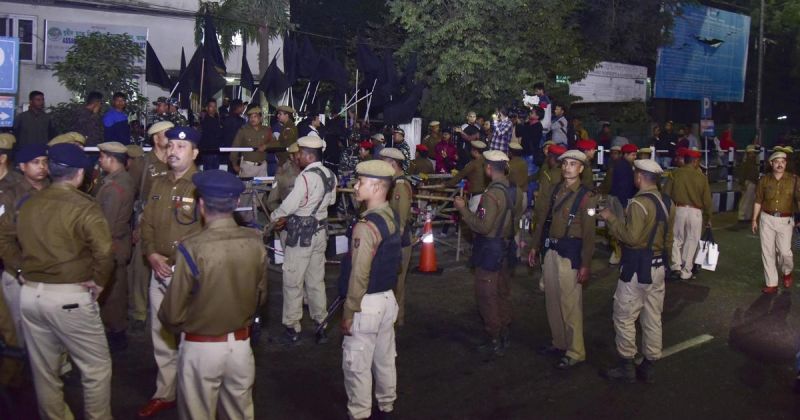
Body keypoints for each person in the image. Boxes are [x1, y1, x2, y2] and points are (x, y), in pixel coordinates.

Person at [158, 170, 267, 420]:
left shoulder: (192, 246)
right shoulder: (255, 241)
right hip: (241, 346)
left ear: (201, 204)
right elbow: (261, 297)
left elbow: (172, 313)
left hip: (201, 347)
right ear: (237, 203)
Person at [17, 143, 114, 420]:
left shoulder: (29, 202)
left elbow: (8, 239)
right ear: (80, 174)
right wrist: (99, 281)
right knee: (95, 369)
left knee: (45, 372)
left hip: (30, 295)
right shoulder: (84, 206)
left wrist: (20, 270)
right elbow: (105, 251)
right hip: (69, 298)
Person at [137, 126, 202, 418]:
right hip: (157, 268)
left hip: (187, 274)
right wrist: (150, 253)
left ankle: (193, 395)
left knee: (192, 337)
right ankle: (165, 391)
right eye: (171, 145)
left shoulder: (201, 186)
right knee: (160, 333)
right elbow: (147, 224)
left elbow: (210, 234)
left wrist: (181, 264)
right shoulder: (159, 183)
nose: (173, 151)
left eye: (181, 147)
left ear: (194, 153)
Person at [598, 159, 675, 384]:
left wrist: (611, 219)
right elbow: (669, 237)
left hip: (636, 269)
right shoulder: (667, 202)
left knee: (624, 316)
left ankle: (626, 364)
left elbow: (631, 237)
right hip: (658, 266)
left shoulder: (638, 204)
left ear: (639, 177)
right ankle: (649, 364)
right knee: (652, 316)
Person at [338, 159, 400, 420]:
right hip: (387, 299)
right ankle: (386, 406)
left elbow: (359, 273)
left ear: (376, 187)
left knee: (358, 366)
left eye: (361, 182)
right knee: (384, 358)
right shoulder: (391, 216)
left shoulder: (366, 227)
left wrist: (350, 310)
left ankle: (360, 413)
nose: (355, 186)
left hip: (367, 304)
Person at [528, 149, 597, 369]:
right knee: (552, 300)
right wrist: (535, 246)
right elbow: (544, 221)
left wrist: (586, 264)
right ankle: (559, 342)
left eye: (573, 164)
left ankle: (576, 350)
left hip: (570, 253)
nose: (568, 167)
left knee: (570, 303)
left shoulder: (586, 196)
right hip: (551, 250)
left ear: (581, 169)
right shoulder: (555, 190)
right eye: (565, 163)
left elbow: (589, 235)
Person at [454, 150, 520, 358]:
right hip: (506, 245)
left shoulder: (491, 194)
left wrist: (463, 210)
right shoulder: (514, 190)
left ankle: (495, 337)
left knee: (487, 295)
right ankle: (505, 330)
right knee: (502, 291)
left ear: (489, 168)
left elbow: (483, 226)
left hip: (490, 248)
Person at [271, 136, 337, 344]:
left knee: (292, 280)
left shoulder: (305, 178)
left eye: (299, 153)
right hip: (319, 233)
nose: (297, 157)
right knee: (316, 280)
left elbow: (289, 206)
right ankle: (321, 324)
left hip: (301, 235)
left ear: (309, 155)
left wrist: (273, 219)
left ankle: (292, 327)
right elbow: (332, 201)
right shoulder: (329, 175)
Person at [0, 143, 49, 347]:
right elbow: (3, 237)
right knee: (17, 329)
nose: (41, 167)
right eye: (35, 162)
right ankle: (18, 372)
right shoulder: (11, 195)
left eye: (45, 162)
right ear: (22, 166)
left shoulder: (55, 190)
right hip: (18, 272)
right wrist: (18, 267)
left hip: (49, 271)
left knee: (48, 329)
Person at [94, 141, 135, 352]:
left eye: (102, 157)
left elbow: (106, 224)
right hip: (118, 242)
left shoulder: (114, 188)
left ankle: (116, 332)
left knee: (114, 293)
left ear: (111, 158)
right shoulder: (120, 180)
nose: (100, 161)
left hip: (113, 244)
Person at [752, 151, 800, 294]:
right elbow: (758, 201)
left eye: (782, 162)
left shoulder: (794, 180)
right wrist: (754, 219)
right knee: (767, 252)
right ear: (771, 163)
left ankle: (786, 272)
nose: (780, 164)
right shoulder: (764, 180)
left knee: (785, 252)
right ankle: (771, 283)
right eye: (777, 161)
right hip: (767, 219)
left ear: (786, 163)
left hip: (785, 221)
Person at [663, 148, 711, 281]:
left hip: (679, 209)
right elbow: (707, 200)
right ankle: (686, 270)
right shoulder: (702, 177)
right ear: (695, 161)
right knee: (692, 240)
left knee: (676, 239)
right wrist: (708, 217)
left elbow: (666, 193)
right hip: (696, 212)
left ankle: (676, 267)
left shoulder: (675, 173)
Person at [379, 148, 413, 326]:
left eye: (384, 161)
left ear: (393, 164)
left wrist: (395, 241)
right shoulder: (394, 184)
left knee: (397, 281)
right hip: (394, 239)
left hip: (399, 240)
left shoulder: (400, 186)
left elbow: (401, 216)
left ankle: (397, 317)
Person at [607, 144, 638, 265]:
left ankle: (617, 253)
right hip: (620, 200)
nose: (634, 157)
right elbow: (623, 188)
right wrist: (625, 205)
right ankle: (617, 255)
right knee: (620, 228)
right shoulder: (625, 167)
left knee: (614, 227)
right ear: (625, 155)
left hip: (614, 197)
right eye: (632, 155)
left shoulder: (619, 165)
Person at [446, 140, 488, 212]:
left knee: (472, 218)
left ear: (475, 151)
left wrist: (446, 184)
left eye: (471, 149)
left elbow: (460, 175)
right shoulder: (486, 161)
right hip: (486, 193)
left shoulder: (473, 163)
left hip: (477, 196)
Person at [230, 107, 270, 178]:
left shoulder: (266, 130)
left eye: (255, 116)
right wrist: (234, 165)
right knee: (247, 188)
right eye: (250, 117)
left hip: (262, 167)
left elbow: (275, 142)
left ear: (260, 118)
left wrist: (266, 146)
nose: (252, 119)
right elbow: (235, 147)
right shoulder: (243, 130)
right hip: (247, 167)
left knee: (262, 188)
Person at [267, 142, 302, 212]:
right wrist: (284, 212)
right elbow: (271, 203)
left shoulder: (311, 172)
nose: (303, 156)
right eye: (299, 154)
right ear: (292, 156)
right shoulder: (281, 176)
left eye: (304, 153)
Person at [199, 98, 224, 170]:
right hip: (209, 151)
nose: (213, 108)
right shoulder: (206, 121)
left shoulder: (216, 119)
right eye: (211, 106)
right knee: (209, 172)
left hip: (215, 150)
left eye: (215, 106)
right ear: (207, 108)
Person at [738, 145, 760, 222]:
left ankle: (747, 217)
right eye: (751, 153)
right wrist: (742, 184)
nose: (752, 154)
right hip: (748, 183)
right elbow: (742, 174)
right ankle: (742, 217)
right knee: (745, 201)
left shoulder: (753, 163)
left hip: (753, 183)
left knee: (750, 201)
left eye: (753, 153)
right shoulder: (746, 163)